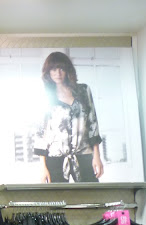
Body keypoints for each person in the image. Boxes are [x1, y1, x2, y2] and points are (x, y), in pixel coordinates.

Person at [34, 51, 103, 183]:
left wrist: (97, 156)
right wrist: (43, 167)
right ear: (48, 72)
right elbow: (41, 133)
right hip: (55, 157)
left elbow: (93, 123)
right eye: (53, 69)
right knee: (57, 196)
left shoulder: (83, 91)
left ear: (67, 70)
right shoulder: (45, 95)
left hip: (84, 154)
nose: (58, 73)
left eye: (61, 68)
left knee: (91, 194)